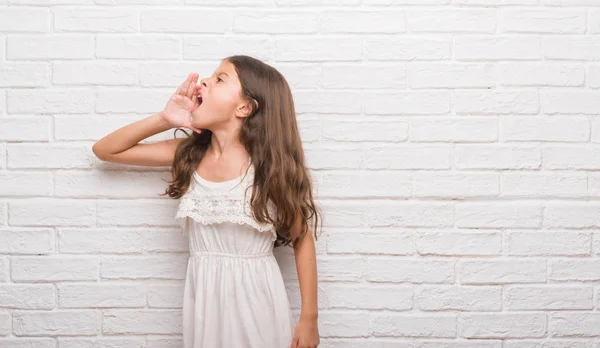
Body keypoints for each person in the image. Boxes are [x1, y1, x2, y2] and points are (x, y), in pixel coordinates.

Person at [92, 55, 321, 348]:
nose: (204, 82)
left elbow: (302, 238)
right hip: (204, 301)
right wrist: (164, 119)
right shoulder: (189, 154)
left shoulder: (269, 168)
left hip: (258, 299)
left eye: (220, 79)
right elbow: (106, 150)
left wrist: (309, 318)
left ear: (244, 107)